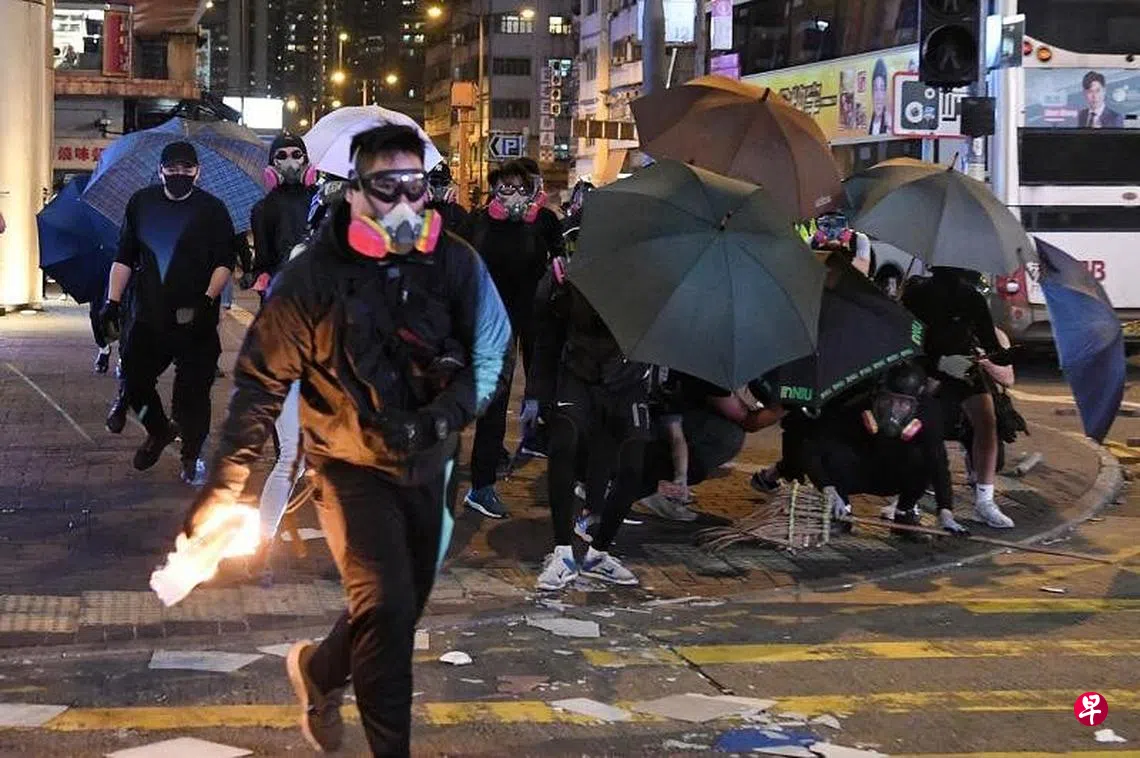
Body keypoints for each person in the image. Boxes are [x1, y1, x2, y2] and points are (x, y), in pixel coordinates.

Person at [181, 124, 511, 756]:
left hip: (431, 462)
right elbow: (259, 381)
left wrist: (443, 417)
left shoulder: (456, 262)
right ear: (353, 191)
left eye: (414, 184)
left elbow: (492, 351)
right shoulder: (314, 274)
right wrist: (225, 486)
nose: (403, 201)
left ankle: (322, 670)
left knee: (397, 607)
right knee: (386, 610)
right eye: (385, 185)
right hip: (348, 463)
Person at [97, 141, 237, 484]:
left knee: (193, 393)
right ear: (160, 170)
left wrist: (208, 299)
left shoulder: (212, 209)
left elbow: (224, 262)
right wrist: (111, 302)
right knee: (134, 382)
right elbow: (124, 256)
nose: (179, 174)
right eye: (172, 168)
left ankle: (191, 455)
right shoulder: (141, 203)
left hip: (196, 320)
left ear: (197, 172)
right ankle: (158, 429)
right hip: (150, 316)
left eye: (186, 168)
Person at [528, 254, 652, 590]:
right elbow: (546, 336)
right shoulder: (571, 270)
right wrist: (536, 393)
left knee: (633, 465)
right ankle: (562, 551)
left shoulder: (650, 272)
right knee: (564, 445)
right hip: (579, 372)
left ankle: (599, 553)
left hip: (627, 379)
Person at [462, 160, 563, 518]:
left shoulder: (545, 222)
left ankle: (544, 449)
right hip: (493, 325)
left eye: (521, 188)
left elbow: (560, 258)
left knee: (545, 391)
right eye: (506, 187)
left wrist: (559, 264)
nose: (514, 195)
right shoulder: (478, 223)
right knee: (493, 404)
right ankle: (481, 485)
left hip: (534, 319)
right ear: (494, 191)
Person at [903, 266, 1015, 528]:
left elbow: (990, 343)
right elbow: (908, 338)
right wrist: (936, 364)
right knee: (918, 428)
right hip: (926, 368)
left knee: (987, 422)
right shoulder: (917, 294)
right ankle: (907, 498)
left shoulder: (971, 298)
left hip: (964, 366)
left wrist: (996, 357)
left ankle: (985, 500)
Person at [799, 362, 969, 536]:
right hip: (859, 471)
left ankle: (905, 512)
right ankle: (842, 513)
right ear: (877, 396)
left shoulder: (928, 414)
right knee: (834, 453)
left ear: (916, 403)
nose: (893, 409)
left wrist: (945, 512)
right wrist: (827, 487)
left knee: (924, 458)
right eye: (888, 400)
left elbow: (938, 462)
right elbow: (813, 446)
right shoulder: (858, 407)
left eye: (902, 403)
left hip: (897, 476)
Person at [639, 369, 784, 522]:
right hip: (635, 423)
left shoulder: (670, 387)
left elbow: (676, 434)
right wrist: (779, 410)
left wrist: (681, 477)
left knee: (696, 453)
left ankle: (651, 483)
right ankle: (642, 484)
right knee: (727, 435)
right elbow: (746, 420)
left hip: (661, 411)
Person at [247, 134, 318, 300]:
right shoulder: (263, 208)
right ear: (272, 163)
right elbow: (262, 261)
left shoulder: (322, 200)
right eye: (282, 155)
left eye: (296, 154)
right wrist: (263, 279)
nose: (290, 161)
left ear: (305, 159)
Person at [425, 162, 471, 235]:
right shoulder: (418, 211)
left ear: (450, 185)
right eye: (434, 182)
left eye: (444, 183)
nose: (439, 187)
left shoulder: (458, 213)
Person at [868, 59, 891, 135]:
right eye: (875, 89)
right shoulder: (868, 124)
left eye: (882, 89)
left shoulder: (890, 123)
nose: (879, 96)